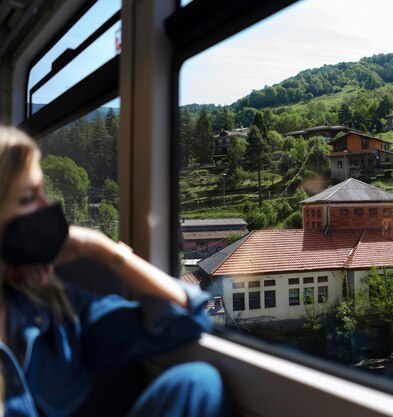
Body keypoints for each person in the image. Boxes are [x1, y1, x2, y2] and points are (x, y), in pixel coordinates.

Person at [0, 126, 227, 417]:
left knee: (198, 383)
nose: (49, 208)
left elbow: (186, 319)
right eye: (29, 197)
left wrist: (103, 249)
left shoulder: (53, 308)